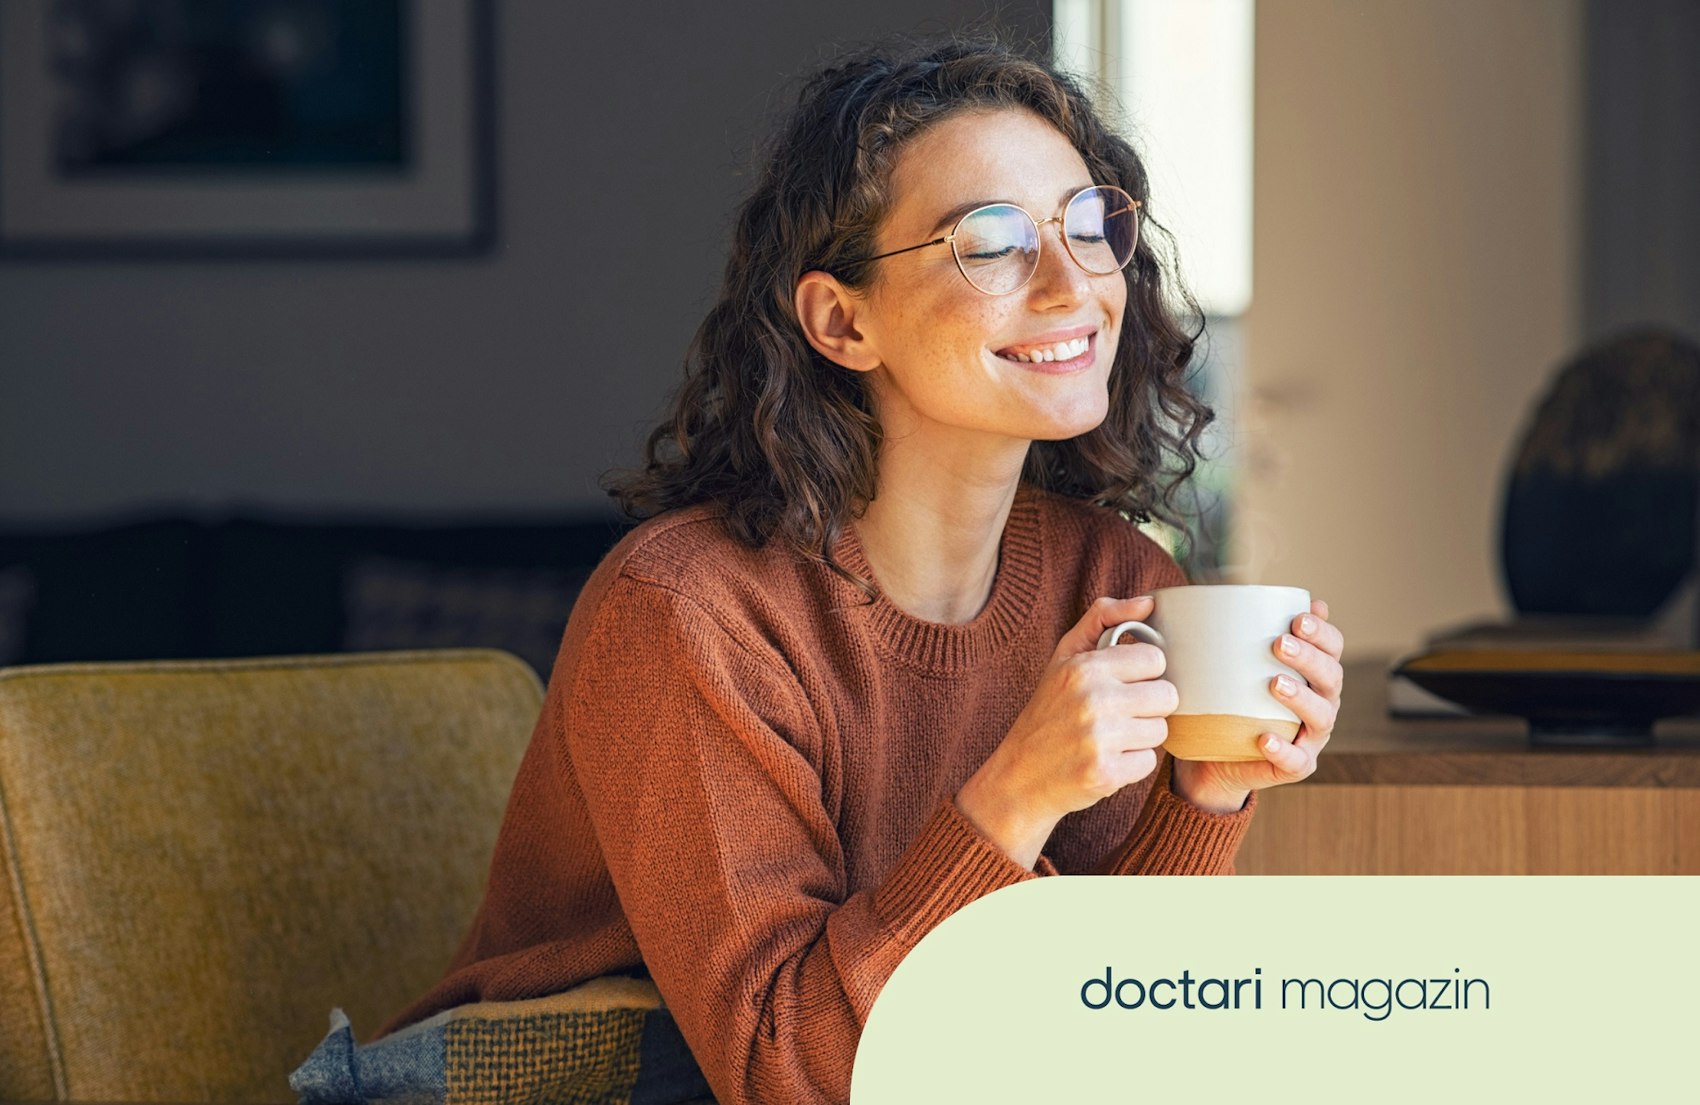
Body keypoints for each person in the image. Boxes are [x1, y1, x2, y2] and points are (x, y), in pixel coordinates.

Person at [382, 34, 1345, 1104]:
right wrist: (1012, 797)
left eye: (1088, 224)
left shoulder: (1111, 584)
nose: (1072, 282)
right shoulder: (690, 613)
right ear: (843, 321)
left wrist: (1201, 799)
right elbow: (781, 1071)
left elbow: (1105, 1035)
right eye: (989, 243)